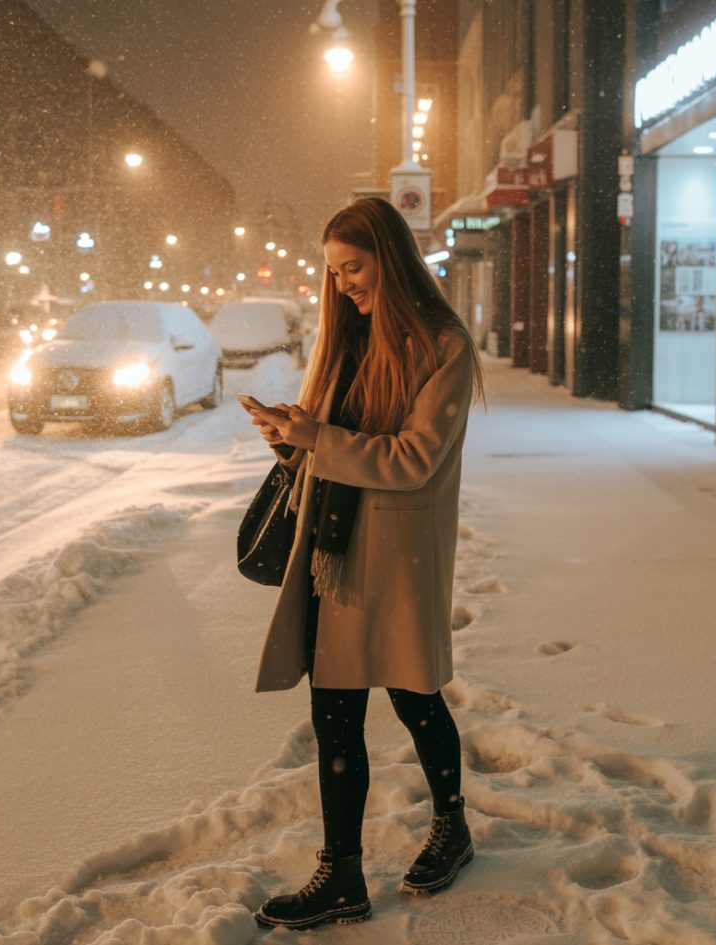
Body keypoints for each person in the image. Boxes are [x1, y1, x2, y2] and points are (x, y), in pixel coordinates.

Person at [241, 196, 485, 931]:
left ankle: (452, 823)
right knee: (335, 713)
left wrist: (320, 436)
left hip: (400, 554)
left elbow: (413, 459)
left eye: (354, 266)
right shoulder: (345, 340)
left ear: (391, 255)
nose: (344, 283)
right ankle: (340, 871)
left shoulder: (443, 344)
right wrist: (291, 436)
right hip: (334, 555)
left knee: (415, 695)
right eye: (334, 272)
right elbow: (333, 444)